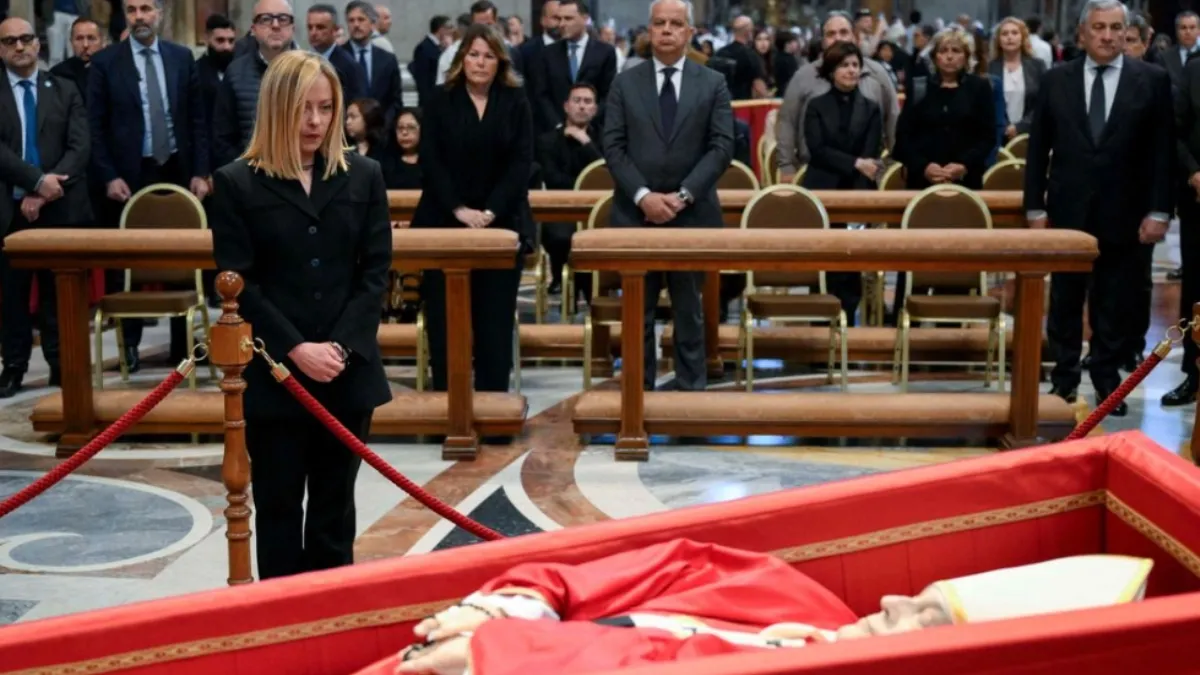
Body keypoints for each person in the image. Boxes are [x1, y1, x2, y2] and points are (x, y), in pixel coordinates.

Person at [367, 539, 1153, 675]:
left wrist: (504, 652)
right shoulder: (797, 598)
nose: (886, 598)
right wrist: (519, 603)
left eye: (920, 612)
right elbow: (662, 563)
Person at [209, 51, 392, 580]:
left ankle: (331, 624)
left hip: (346, 369)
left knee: (335, 513)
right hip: (274, 376)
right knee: (281, 509)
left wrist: (337, 347)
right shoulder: (238, 182)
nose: (315, 122)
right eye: (303, 109)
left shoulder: (365, 175)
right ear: (276, 109)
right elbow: (238, 284)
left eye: (326, 108)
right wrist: (295, 349)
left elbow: (374, 273)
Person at [1025, 0, 1173, 414]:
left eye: (1115, 28)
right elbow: (1038, 149)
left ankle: (1107, 382)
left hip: (1126, 210)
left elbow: (1162, 152)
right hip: (1068, 211)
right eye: (1099, 28)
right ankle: (1065, 378)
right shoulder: (1057, 80)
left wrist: (1160, 211)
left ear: (1125, 32)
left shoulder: (1152, 80)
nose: (1107, 35)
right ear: (1082, 34)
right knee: (1065, 302)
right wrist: (1035, 208)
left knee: (1114, 301)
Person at [604, 0, 734, 392]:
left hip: (691, 214)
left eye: (675, 24)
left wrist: (682, 196)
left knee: (689, 309)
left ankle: (691, 390)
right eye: (658, 23)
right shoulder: (625, 82)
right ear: (648, 30)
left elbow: (722, 147)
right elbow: (613, 145)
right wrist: (644, 196)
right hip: (635, 214)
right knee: (637, 311)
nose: (666, 30)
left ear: (689, 33)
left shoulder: (712, 82)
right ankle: (638, 391)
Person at [88, 0, 210, 369]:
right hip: (129, 174)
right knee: (129, 262)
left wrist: (201, 171)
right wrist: (108, 174)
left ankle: (182, 347)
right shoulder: (107, 62)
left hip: (176, 167)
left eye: (145, 8)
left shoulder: (181, 57)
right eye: (132, 10)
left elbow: (197, 119)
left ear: (159, 13)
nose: (139, 16)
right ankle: (129, 345)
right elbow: (95, 127)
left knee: (178, 257)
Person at [412, 24, 533, 394]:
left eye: (489, 56)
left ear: (501, 61)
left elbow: (521, 163)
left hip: (501, 221)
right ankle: (448, 403)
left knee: (493, 319)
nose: (480, 62)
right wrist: (460, 210)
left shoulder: (515, 100)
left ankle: (494, 408)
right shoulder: (438, 99)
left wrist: (491, 212)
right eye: (474, 54)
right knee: (445, 319)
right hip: (444, 220)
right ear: (462, 58)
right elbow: (431, 161)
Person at [0, 17, 91, 397]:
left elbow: (80, 146)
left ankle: (60, 365)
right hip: (9, 210)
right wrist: (35, 181)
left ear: (38, 44)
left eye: (25, 39)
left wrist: (45, 190)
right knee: (11, 295)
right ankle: (14, 367)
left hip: (57, 207)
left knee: (59, 291)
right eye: (10, 41)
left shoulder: (64, 89)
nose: (19, 47)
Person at [802, 41, 883, 323]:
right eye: (844, 65)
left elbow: (871, 152)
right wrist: (854, 162)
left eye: (855, 65)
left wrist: (860, 163)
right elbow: (817, 149)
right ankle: (819, 321)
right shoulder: (815, 105)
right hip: (822, 188)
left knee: (851, 259)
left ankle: (848, 317)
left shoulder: (872, 108)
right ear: (832, 70)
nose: (851, 70)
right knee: (822, 258)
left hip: (857, 190)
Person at [776, 11, 899, 183]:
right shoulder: (803, 77)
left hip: (867, 173)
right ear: (823, 41)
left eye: (843, 32)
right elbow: (787, 122)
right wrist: (786, 166)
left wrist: (895, 165)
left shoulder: (877, 74)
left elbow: (893, 119)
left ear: (854, 37)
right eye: (831, 34)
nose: (838, 38)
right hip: (816, 169)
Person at [892, 28, 995, 191]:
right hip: (922, 180)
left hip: (966, 179)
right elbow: (903, 138)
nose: (949, 56)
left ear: (966, 57)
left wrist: (964, 165)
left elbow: (988, 137)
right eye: (943, 51)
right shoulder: (919, 86)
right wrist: (923, 166)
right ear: (935, 57)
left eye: (956, 51)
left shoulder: (979, 87)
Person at [211, 0, 294, 170]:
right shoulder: (235, 73)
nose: (276, 25)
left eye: (283, 19)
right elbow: (222, 136)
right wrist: (243, 172)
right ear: (253, 30)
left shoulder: (312, 71)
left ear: (293, 27)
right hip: (251, 177)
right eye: (265, 19)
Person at [537, 82, 602, 297]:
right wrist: (583, 183)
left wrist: (585, 142)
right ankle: (561, 279)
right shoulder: (547, 141)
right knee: (559, 237)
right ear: (566, 106)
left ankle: (590, 284)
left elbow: (605, 176)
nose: (582, 106)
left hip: (597, 211)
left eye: (587, 102)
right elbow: (554, 181)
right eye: (577, 101)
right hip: (562, 210)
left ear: (594, 109)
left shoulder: (605, 140)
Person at [1167, 48, 1200, 406]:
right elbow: (1174, 133)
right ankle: (1194, 374)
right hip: (1198, 200)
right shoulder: (1194, 72)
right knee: (1196, 288)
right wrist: (1193, 172)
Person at [533, 0, 616, 134]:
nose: (562, 24)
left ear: (585, 19)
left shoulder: (605, 52)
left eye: (568, 18)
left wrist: (587, 123)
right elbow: (541, 95)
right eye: (559, 19)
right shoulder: (547, 54)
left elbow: (608, 95)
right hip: (556, 135)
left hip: (593, 134)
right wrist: (559, 125)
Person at [342, 0, 402, 125]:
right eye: (351, 20)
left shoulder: (387, 59)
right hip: (347, 132)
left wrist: (384, 124)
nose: (356, 25)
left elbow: (395, 100)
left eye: (361, 19)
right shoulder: (338, 57)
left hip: (381, 132)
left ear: (373, 24)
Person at [989, 17, 1046, 143]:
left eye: (1014, 33)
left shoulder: (1037, 66)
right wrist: (1005, 127)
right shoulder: (990, 67)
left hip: (1030, 134)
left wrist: (1019, 127)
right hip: (996, 136)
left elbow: (1043, 101)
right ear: (998, 40)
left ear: (1022, 37)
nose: (1009, 37)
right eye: (1004, 34)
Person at [306, 4, 367, 104]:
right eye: (310, 27)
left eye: (320, 27)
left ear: (335, 30)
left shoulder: (350, 66)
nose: (313, 32)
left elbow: (355, 107)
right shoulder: (302, 62)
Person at [381, 108, 421, 190]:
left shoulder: (436, 162)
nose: (404, 132)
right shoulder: (385, 163)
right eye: (400, 128)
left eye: (411, 128)